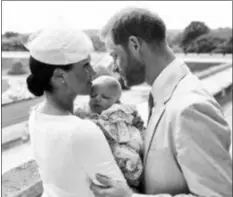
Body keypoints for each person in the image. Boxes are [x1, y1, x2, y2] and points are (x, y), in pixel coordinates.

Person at [90, 7, 232, 197]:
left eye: (115, 55)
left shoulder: (191, 108)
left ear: (135, 46)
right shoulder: (164, 95)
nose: (114, 67)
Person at [26, 25, 127, 197]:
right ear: (60, 76)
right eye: (86, 65)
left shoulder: (36, 115)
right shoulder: (81, 130)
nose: (93, 72)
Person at [74, 75, 145, 188]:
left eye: (105, 97)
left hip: (128, 152)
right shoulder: (88, 113)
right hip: (108, 161)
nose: (97, 99)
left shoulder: (122, 111)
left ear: (117, 101)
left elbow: (139, 126)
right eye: (93, 95)